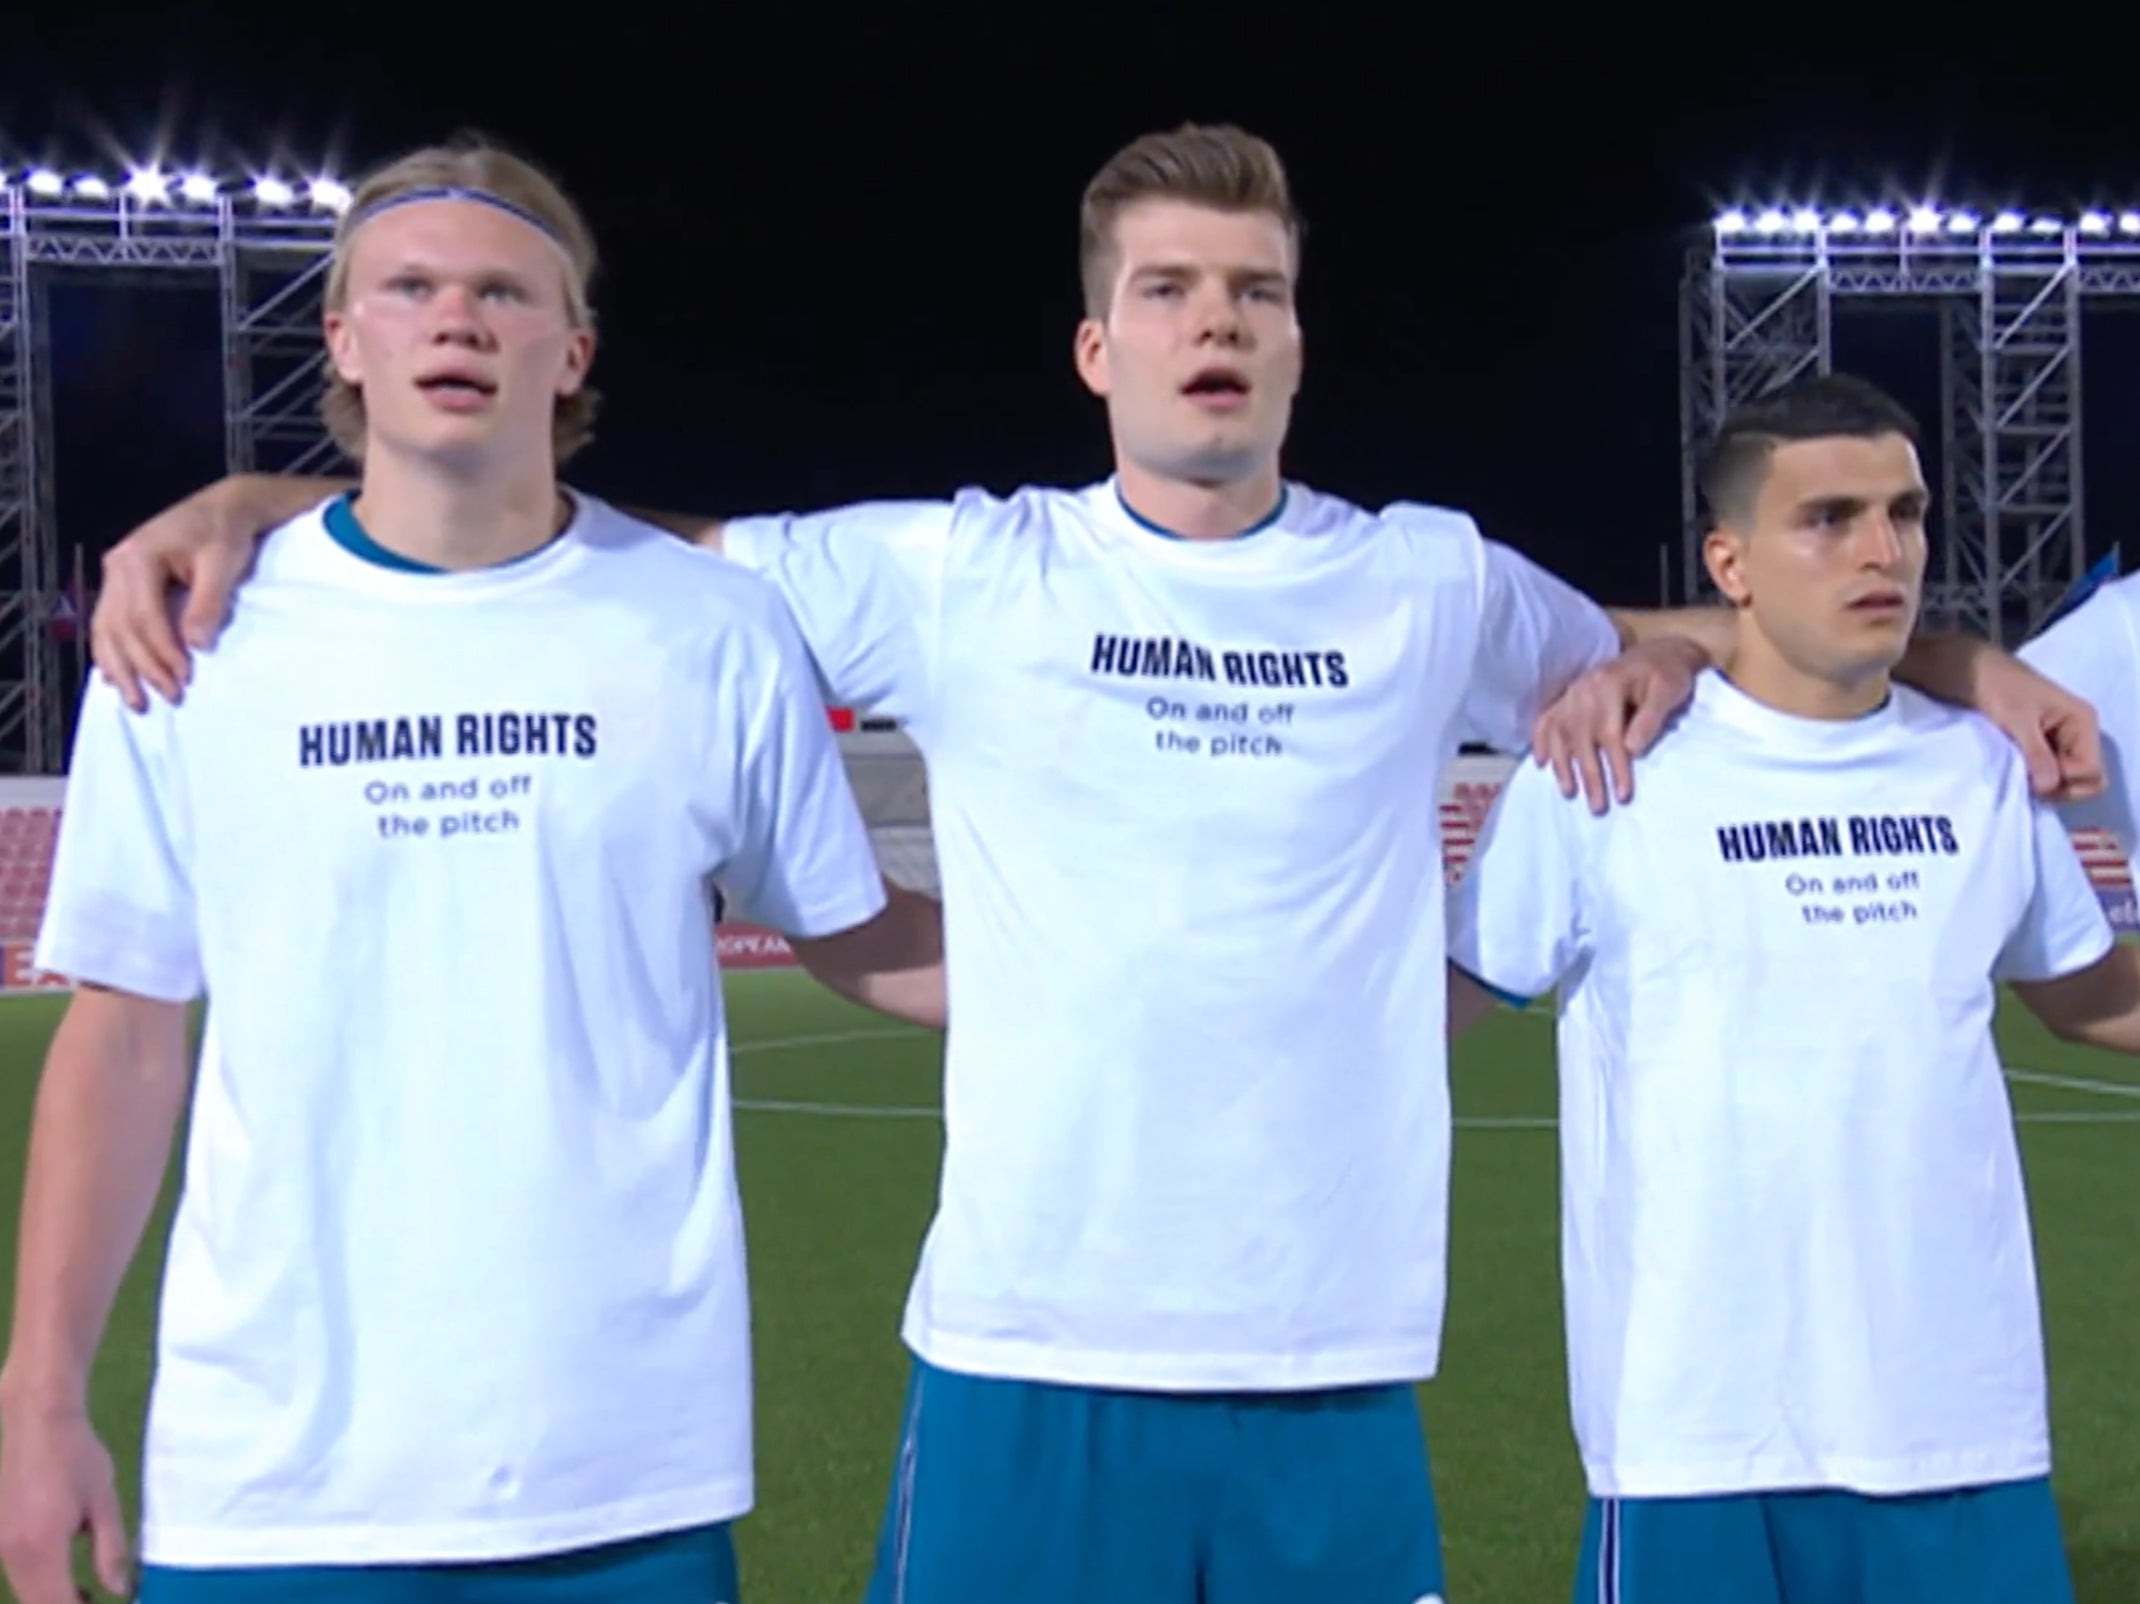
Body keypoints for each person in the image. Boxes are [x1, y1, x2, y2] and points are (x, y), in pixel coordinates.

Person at [81, 128, 2100, 1604]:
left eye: (1254, 291)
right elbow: (575, 550)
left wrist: (1952, 654)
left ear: (1299, 341)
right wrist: (274, 497)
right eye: (1166, 289)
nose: (1212, 323)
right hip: (1020, 1345)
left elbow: (1724, 648)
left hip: (1330, 1348)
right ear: (1092, 350)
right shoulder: (960, 570)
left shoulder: (1427, 581)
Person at [0, 139, 945, 1604]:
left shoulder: (710, 632)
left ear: (570, 352)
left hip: (624, 1478)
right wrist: (37, 1392)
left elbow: (863, 937)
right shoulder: (191, 639)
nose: (458, 319)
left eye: (505, 292)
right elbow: (124, 1035)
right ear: (344, 340)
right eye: (412, 287)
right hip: (272, 1491)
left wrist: (1191, 981)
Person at [1445, 372, 2140, 1604]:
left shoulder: (1983, 769)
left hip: (1964, 1423)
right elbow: (1428, 1005)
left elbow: (2092, 1000)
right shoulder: (1608, 769)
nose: (1884, 550)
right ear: (1729, 559)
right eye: (1827, 518)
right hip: (1696, 1437)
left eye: (1906, 513)